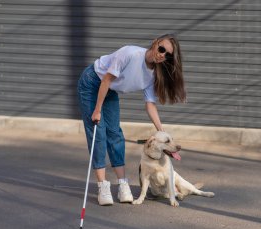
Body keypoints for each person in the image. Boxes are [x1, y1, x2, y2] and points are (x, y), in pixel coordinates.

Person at [77, 34, 186, 205]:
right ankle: (102, 186)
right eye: (162, 49)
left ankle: (122, 184)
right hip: (93, 82)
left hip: (110, 89)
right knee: (99, 133)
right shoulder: (131, 54)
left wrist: (161, 131)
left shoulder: (153, 75)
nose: (162, 55)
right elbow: (106, 80)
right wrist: (97, 109)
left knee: (115, 134)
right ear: (155, 43)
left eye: (168, 55)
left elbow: (150, 104)